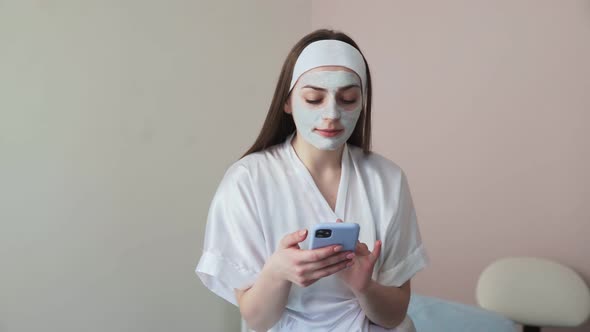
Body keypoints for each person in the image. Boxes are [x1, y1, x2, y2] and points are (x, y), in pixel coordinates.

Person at [195, 29, 430, 332]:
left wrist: (364, 287)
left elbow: (394, 314)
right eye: (314, 98)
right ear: (288, 102)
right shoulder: (247, 181)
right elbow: (257, 320)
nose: (331, 114)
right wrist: (277, 272)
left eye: (347, 99)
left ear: (362, 104)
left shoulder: (388, 179)